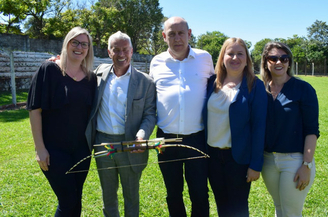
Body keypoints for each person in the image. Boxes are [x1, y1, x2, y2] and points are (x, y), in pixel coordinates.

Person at [85, 31, 156, 217]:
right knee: (108, 195)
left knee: (131, 196)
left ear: (132, 51)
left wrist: (142, 135)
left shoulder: (145, 82)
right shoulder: (98, 74)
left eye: (125, 49)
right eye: (116, 50)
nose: (121, 54)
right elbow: (75, 74)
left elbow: (150, 115)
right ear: (109, 52)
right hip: (103, 144)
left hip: (130, 145)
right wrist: (58, 62)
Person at [27, 27, 97, 216]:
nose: (79, 47)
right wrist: (40, 148)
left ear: (88, 49)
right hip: (54, 151)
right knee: (67, 201)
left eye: (84, 44)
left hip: (82, 150)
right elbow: (35, 111)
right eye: (75, 42)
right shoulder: (49, 69)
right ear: (66, 43)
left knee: (77, 199)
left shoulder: (91, 78)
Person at [149, 16, 214, 217]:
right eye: (172, 34)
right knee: (173, 193)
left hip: (197, 138)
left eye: (181, 33)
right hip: (166, 140)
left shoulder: (205, 58)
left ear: (189, 34)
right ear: (163, 36)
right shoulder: (156, 62)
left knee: (200, 193)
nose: (177, 38)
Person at [202, 38, 267, 216]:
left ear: (247, 59)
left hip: (238, 159)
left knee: (238, 208)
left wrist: (256, 165)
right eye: (230, 53)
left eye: (240, 54)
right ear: (223, 57)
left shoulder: (255, 86)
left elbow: (259, 127)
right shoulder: (211, 83)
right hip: (212, 157)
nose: (235, 58)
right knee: (221, 205)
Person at [260, 42, 319, 217]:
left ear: (289, 62)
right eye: (274, 58)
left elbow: (312, 130)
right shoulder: (260, 89)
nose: (279, 62)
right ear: (266, 62)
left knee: (291, 213)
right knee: (279, 208)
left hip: (295, 161)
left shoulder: (303, 89)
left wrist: (306, 165)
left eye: (284, 58)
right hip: (268, 161)